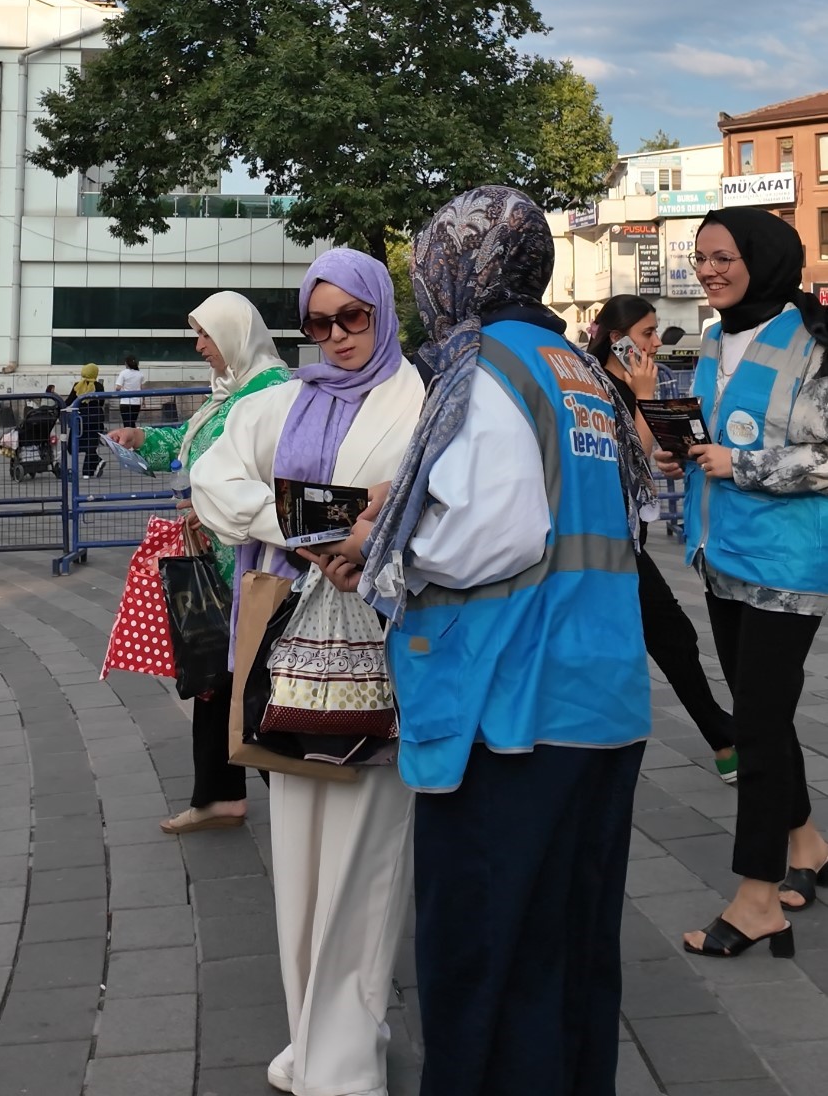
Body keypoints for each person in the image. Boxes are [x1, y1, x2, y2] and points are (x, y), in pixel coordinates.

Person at [328, 187, 652, 1096]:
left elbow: (489, 533)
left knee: (485, 947)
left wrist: (380, 546)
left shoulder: (485, 365)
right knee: (571, 942)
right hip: (599, 696)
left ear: (454, 268)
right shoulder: (573, 364)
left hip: (506, 705)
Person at [190, 250, 423, 1096]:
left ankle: (346, 1058)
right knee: (295, 858)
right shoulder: (281, 400)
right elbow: (212, 480)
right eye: (317, 323)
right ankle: (311, 1041)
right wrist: (314, 523)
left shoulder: (422, 397)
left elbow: (418, 500)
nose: (335, 338)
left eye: (351, 318)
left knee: (367, 861)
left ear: (381, 311)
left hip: (382, 653)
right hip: (289, 656)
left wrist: (339, 523)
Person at [657, 208, 828, 958]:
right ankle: (807, 844)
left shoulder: (814, 343)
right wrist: (683, 455)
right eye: (699, 258)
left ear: (761, 257)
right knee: (762, 713)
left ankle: (757, 899)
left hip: (787, 567)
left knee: (756, 726)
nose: (707, 270)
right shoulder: (714, 340)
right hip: (717, 554)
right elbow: (716, 436)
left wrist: (743, 466)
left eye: (721, 256)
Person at [107, 292, 290, 834]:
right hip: (218, 561)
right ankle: (217, 796)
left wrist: (213, 505)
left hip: (256, 566)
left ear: (235, 335)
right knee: (214, 673)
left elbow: (277, 475)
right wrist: (143, 440)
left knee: (254, 684)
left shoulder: (275, 395)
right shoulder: (227, 394)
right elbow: (194, 448)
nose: (199, 346)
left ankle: (298, 794)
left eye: (206, 334)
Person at [588, 295, 738, 781]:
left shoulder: (631, 383)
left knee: (663, 637)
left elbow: (653, 458)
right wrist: (647, 401)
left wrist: (676, 452)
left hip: (630, 537)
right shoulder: (597, 385)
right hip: (605, 540)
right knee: (671, 634)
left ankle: (722, 737)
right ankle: (724, 739)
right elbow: (622, 465)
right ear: (618, 339)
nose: (655, 342)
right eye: (648, 333)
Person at [64, 363, 106, 478]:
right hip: (95, 418)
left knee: (73, 446)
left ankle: (90, 469)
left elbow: (68, 401)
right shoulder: (99, 386)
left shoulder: (77, 386)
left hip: (80, 418)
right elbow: (101, 402)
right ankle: (90, 469)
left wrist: (59, 407)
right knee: (91, 445)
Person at [114, 355, 145, 429]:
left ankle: (128, 439)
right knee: (132, 422)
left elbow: (118, 387)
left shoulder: (123, 373)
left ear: (126, 363)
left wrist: (117, 391)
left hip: (125, 402)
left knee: (127, 424)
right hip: (136, 402)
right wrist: (143, 400)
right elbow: (142, 388)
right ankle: (133, 438)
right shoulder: (140, 374)